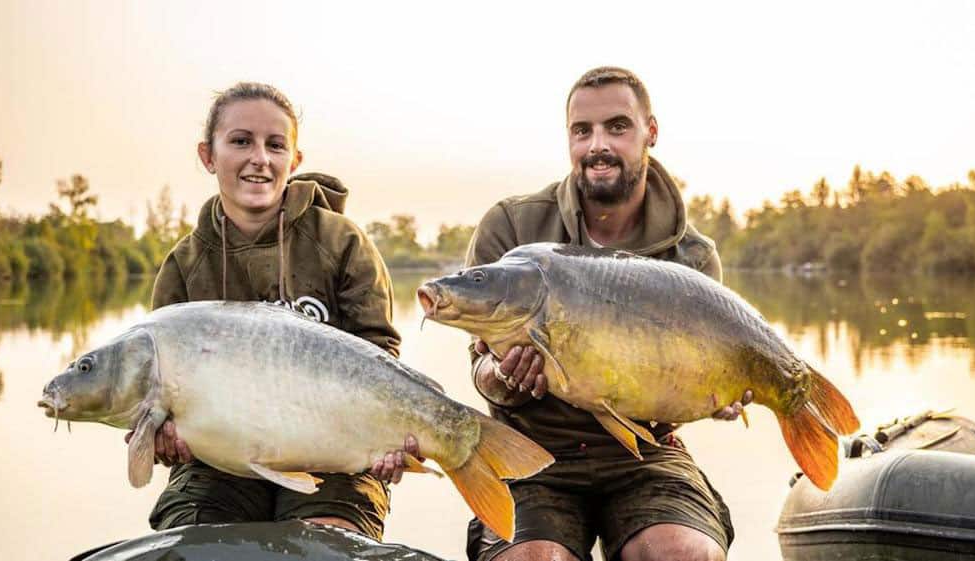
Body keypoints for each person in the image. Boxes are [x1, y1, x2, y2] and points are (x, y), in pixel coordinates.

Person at [464, 68, 752, 561]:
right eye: (583, 131)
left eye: (617, 127)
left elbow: (683, 396)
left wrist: (713, 396)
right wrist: (503, 379)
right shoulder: (511, 226)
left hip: (647, 455)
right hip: (532, 453)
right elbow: (480, 370)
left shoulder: (693, 260)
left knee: (685, 552)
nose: (598, 144)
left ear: (650, 133)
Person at [131, 82, 417, 539]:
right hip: (218, 464)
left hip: (333, 459)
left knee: (321, 545)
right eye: (241, 141)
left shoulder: (343, 243)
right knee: (196, 545)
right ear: (208, 155)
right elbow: (158, 390)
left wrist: (386, 439)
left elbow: (380, 354)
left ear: (294, 160)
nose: (259, 158)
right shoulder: (183, 266)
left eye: (275, 144)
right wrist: (159, 437)